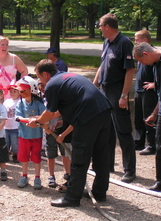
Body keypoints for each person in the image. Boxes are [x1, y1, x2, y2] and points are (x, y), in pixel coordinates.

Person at [28, 59, 112, 207]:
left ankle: (72, 198)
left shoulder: (52, 85)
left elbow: (49, 112)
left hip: (87, 117)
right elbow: (58, 111)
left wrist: (38, 122)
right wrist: (40, 119)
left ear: (46, 74)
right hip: (104, 111)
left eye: (40, 78)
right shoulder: (70, 76)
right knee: (101, 155)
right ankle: (100, 192)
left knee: (80, 158)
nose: (40, 82)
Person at [93, 13, 136, 183]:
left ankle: (129, 170)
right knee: (106, 131)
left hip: (117, 91)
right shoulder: (106, 42)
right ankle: (107, 164)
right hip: (104, 90)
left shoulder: (124, 43)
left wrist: (124, 95)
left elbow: (130, 70)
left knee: (123, 131)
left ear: (108, 27)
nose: (99, 28)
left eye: (100, 26)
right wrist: (94, 84)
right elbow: (102, 65)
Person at [133, 42, 161, 192]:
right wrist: (155, 114)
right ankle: (160, 181)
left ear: (145, 54)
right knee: (159, 144)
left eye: (142, 61)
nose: (143, 64)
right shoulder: (155, 65)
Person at [15, 76, 46, 190]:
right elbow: (17, 117)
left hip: (36, 136)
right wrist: (29, 120)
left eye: (24, 91)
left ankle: (37, 177)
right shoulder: (20, 104)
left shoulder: (38, 103)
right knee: (23, 157)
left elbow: (44, 116)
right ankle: (24, 176)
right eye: (20, 91)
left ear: (31, 90)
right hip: (23, 136)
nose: (22, 93)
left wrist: (36, 119)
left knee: (36, 157)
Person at [133, 30, 158, 155]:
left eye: (137, 39)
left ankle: (152, 144)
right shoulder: (140, 54)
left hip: (149, 92)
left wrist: (155, 84)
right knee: (138, 119)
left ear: (145, 40)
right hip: (139, 89)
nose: (135, 41)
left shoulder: (152, 55)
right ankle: (138, 141)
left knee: (148, 118)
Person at [3, 80, 20, 163]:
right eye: (11, 91)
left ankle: (15, 155)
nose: (12, 93)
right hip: (6, 126)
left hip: (15, 126)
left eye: (15, 91)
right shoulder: (6, 101)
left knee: (15, 142)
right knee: (6, 142)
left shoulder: (20, 102)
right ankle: (5, 155)